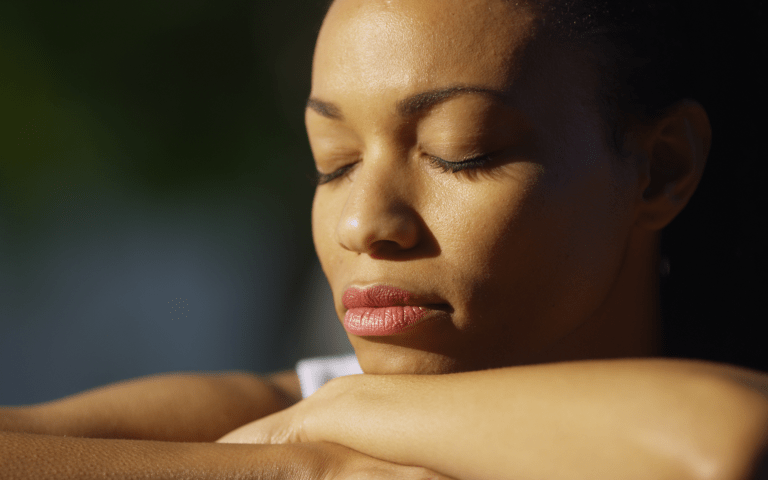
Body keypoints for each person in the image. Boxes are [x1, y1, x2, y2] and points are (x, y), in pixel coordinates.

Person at [1, 0, 766, 478]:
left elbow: (726, 445)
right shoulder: (289, 418)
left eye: (459, 150)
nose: (363, 223)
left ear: (663, 168)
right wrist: (313, 469)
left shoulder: (322, 413)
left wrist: (337, 424)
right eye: (333, 163)